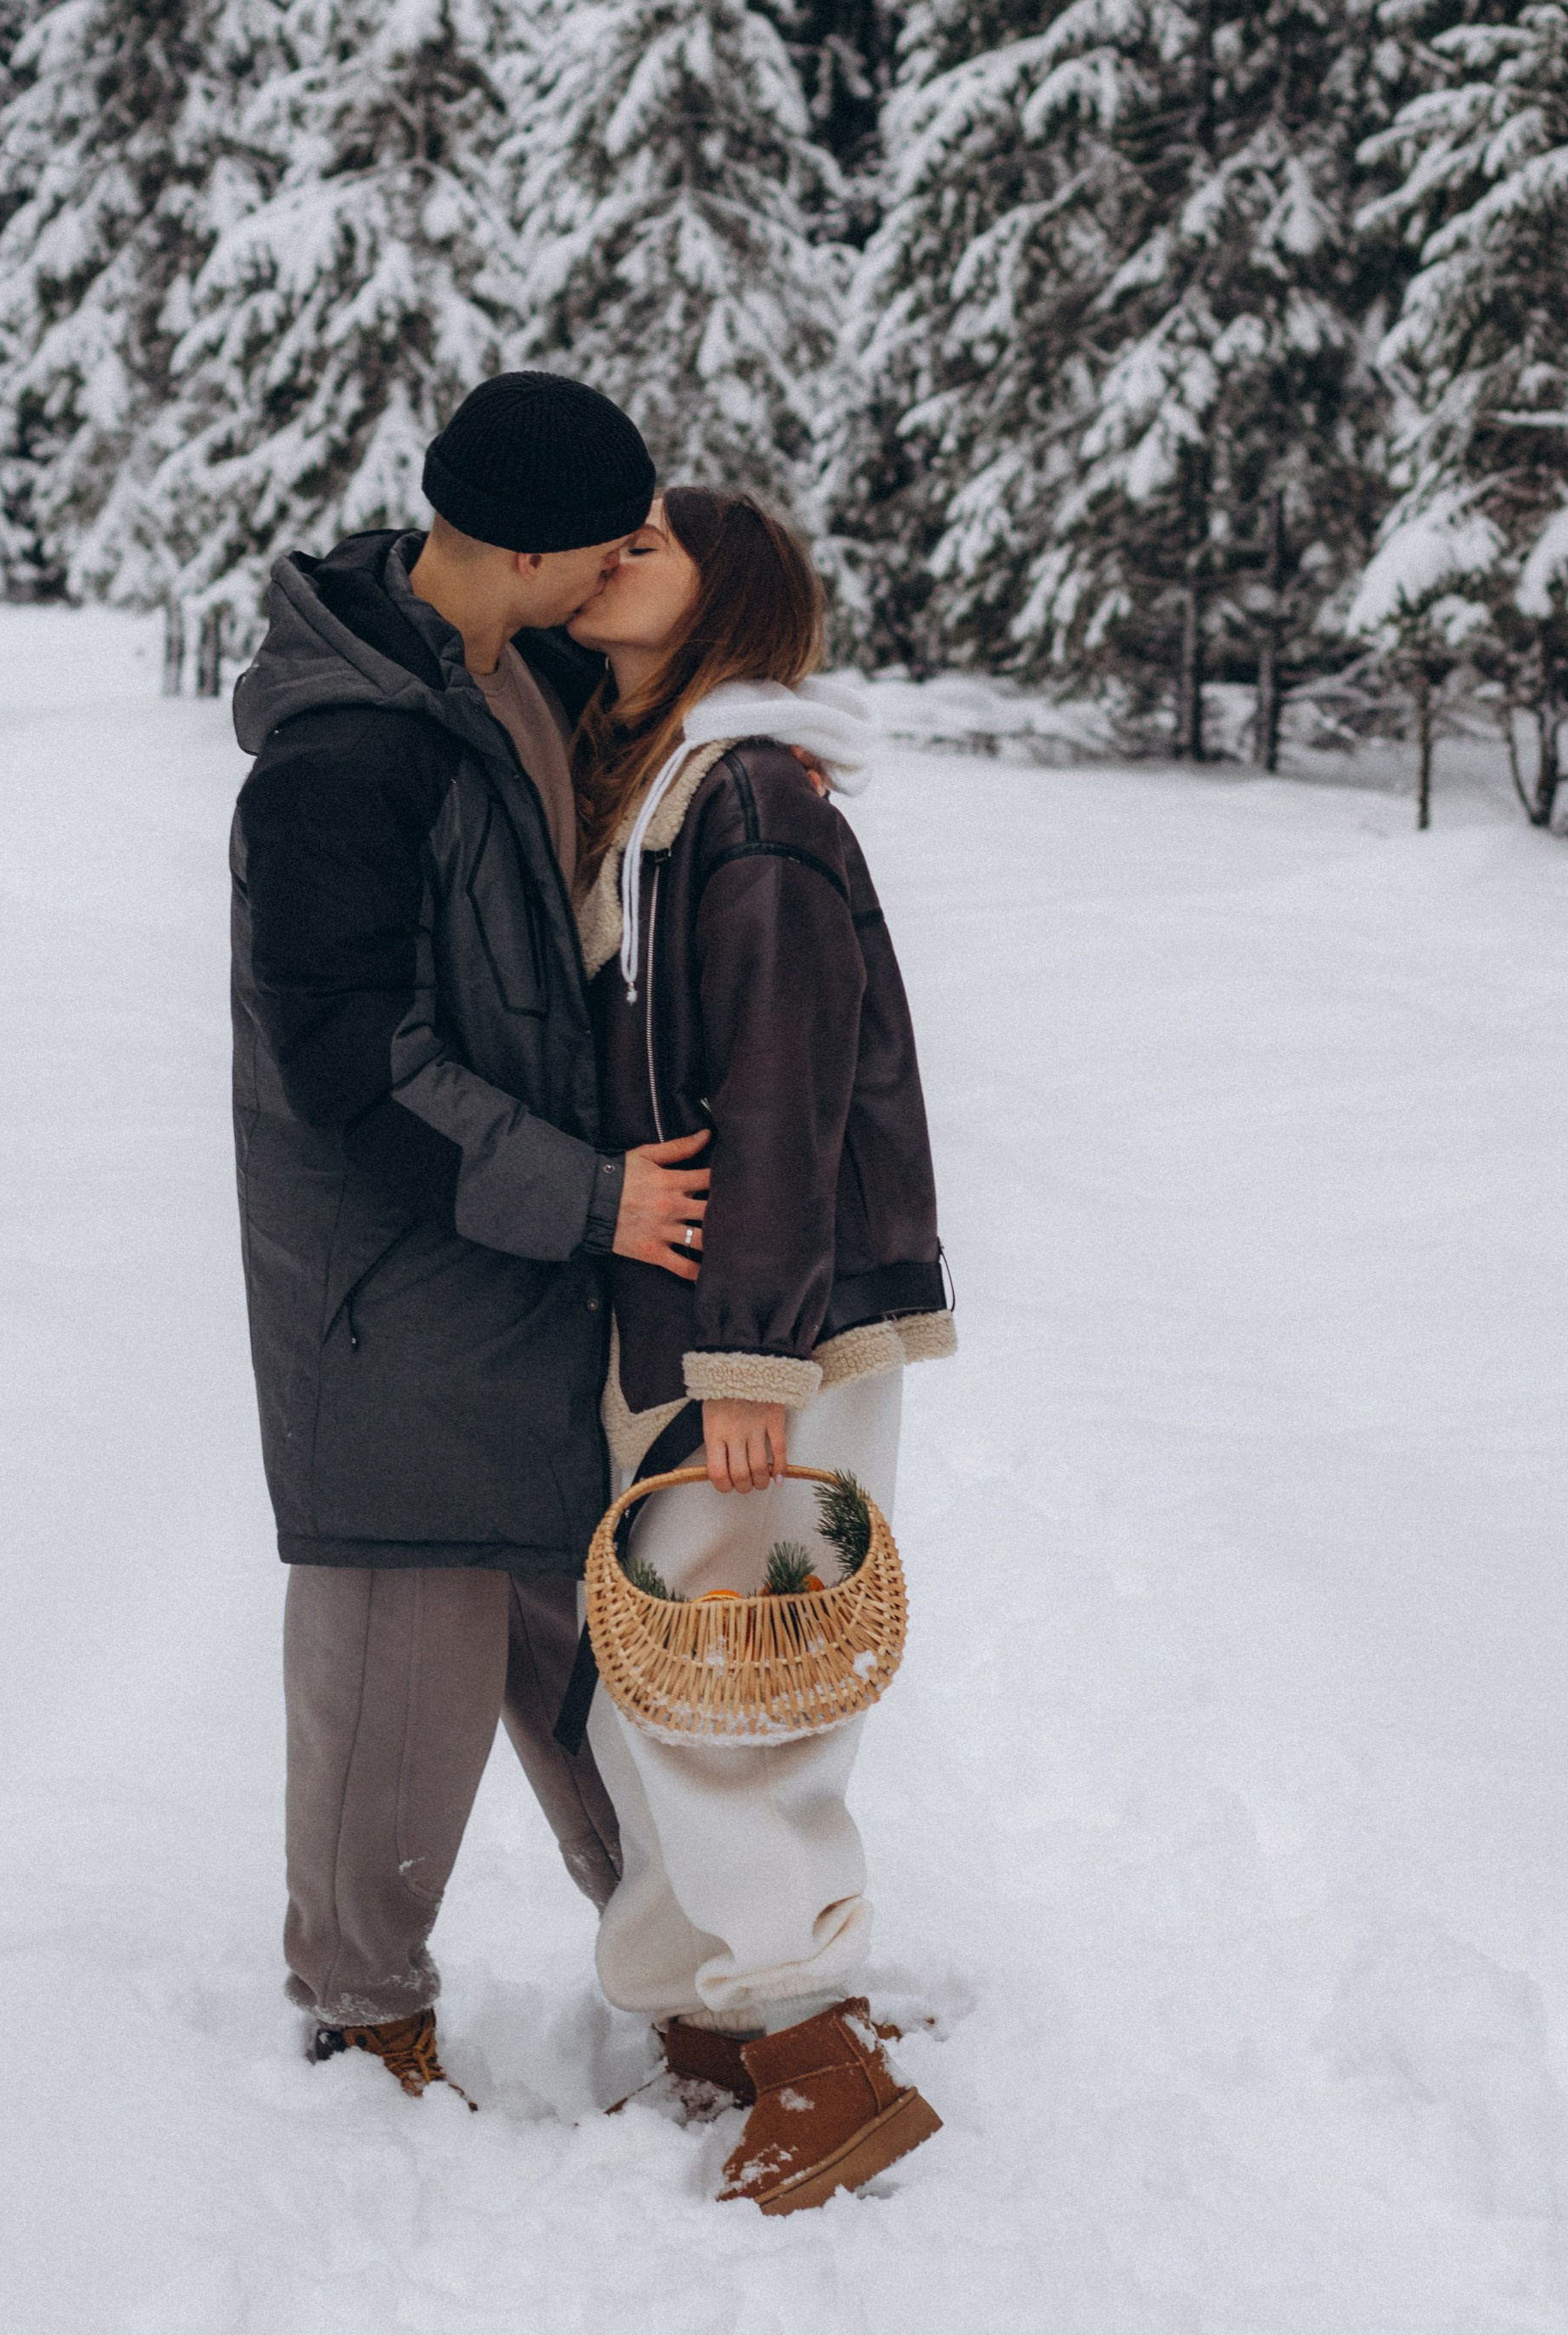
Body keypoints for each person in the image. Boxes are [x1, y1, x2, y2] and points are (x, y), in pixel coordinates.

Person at [227, 374, 715, 2098]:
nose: (622, 571)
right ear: (521, 545)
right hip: (391, 1299)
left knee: (589, 1651)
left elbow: (674, 659)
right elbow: (358, 1066)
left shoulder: (508, 671)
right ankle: (363, 2019)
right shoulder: (342, 757)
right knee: (394, 1675)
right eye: (606, 544)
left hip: (508, 1283)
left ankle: (699, 1957)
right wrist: (595, 1197)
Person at [565, 487, 957, 2213]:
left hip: (763, 1325)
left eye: (641, 545)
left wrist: (748, 1362)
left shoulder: (748, 799)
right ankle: (716, 2012)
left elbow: (783, 1089)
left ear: (723, 599)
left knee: (734, 1696)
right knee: (665, 1678)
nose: (604, 555)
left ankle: (815, 2055)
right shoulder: (664, 782)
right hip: (707, 1315)